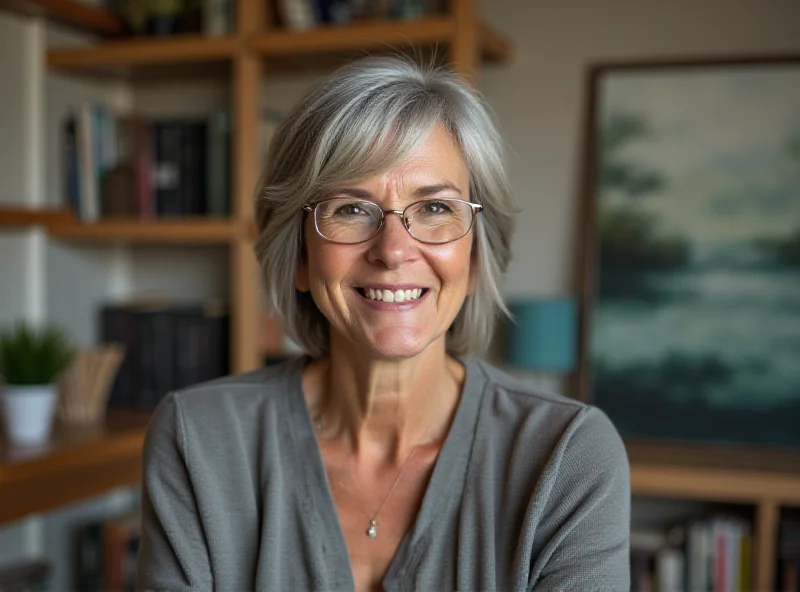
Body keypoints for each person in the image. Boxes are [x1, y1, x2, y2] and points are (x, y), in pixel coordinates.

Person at [136, 56, 630, 592]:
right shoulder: (198, 438)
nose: (393, 251)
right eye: (350, 209)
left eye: (436, 208)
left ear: (475, 256)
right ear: (300, 255)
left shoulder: (566, 456)